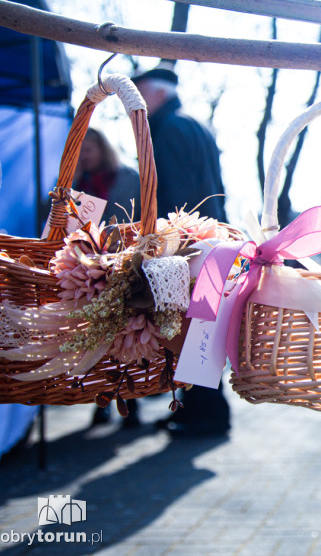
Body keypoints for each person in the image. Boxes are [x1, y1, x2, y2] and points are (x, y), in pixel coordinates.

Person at [132, 65, 231, 438]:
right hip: (212, 241)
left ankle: (207, 415)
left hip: (186, 245)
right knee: (200, 328)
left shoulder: (167, 130)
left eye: (140, 94)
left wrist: (161, 243)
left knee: (190, 330)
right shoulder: (195, 125)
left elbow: (173, 192)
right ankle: (200, 412)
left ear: (156, 93)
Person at [74, 127, 142, 429]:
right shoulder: (78, 183)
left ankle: (132, 402)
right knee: (96, 338)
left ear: (103, 148)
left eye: (89, 149)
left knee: (126, 338)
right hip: (89, 270)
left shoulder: (127, 177)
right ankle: (100, 402)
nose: (85, 155)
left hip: (125, 266)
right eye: (81, 151)